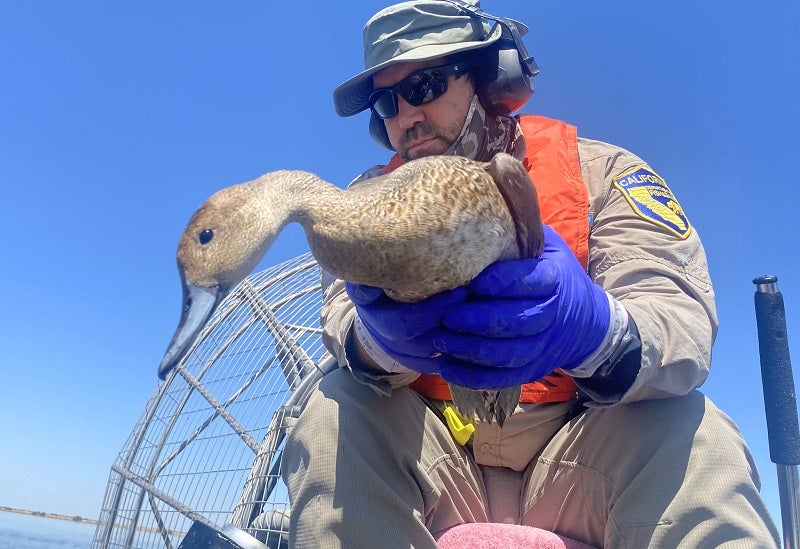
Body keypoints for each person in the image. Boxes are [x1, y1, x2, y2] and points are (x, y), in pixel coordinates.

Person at [280, 1, 781, 547]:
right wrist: (380, 341)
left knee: (694, 432)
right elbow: (341, 316)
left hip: (577, 458)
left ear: (493, 79)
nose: (403, 117)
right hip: (436, 460)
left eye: (422, 85)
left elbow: (680, 321)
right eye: (384, 102)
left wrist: (594, 329)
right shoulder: (360, 204)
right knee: (331, 412)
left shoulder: (603, 172)